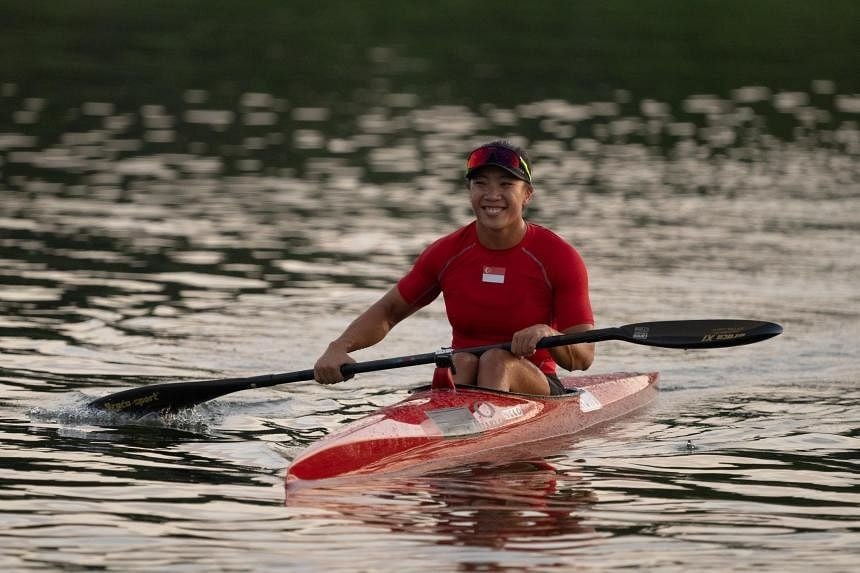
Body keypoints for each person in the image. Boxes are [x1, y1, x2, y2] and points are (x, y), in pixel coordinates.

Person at [314, 140, 595, 395]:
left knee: (497, 360)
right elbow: (389, 312)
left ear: (527, 194)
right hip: (466, 375)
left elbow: (583, 357)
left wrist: (548, 334)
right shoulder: (448, 253)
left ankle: (476, 434)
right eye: (481, 183)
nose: (492, 195)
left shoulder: (558, 257)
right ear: (469, 190)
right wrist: (339, 347)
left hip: (538, 387)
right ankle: (457, 429)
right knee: (458, 360)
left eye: (506, 185)